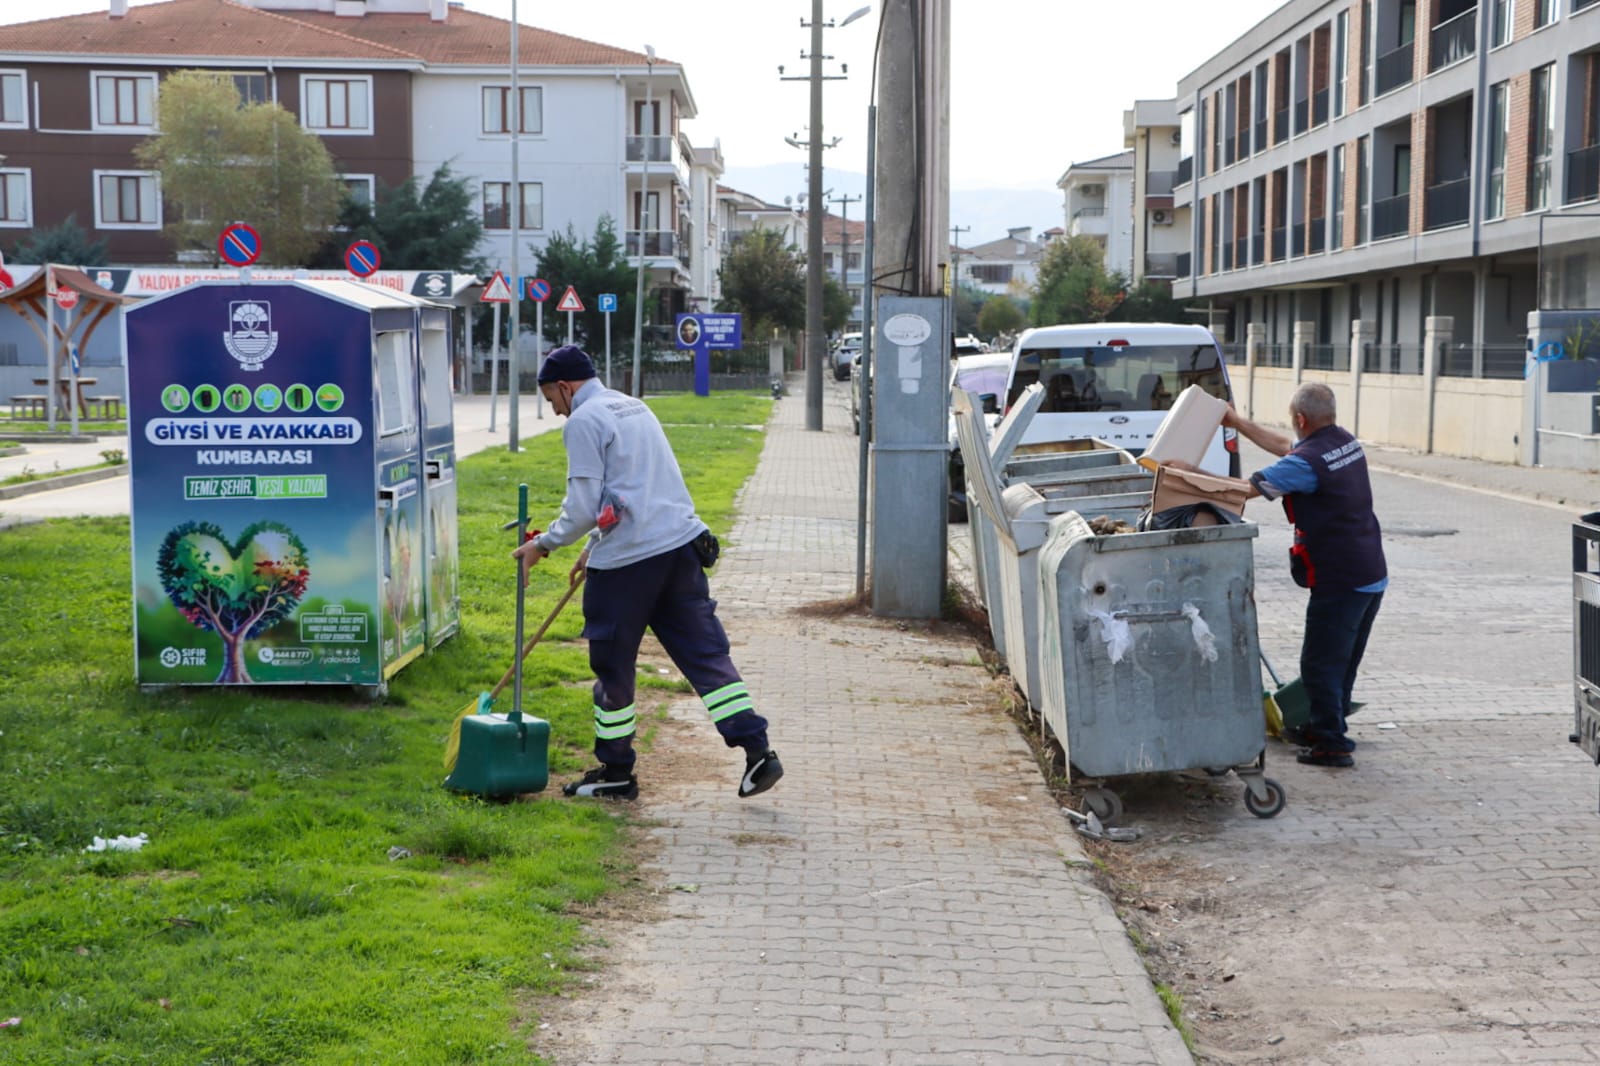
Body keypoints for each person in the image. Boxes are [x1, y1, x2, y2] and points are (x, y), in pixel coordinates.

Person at [512, 345, 782, 800]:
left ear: (565, 386)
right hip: (680, 550)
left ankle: (616, 771)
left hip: (629, 567)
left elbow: (582, 507)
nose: (556, 412)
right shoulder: (634, 406)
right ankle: (758, 751)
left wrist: (543, 545)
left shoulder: (584, 420)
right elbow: (633, 491)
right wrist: (594, 546)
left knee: (613, 665)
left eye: (551, 400)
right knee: (705, 655)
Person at [1204, 383, 1386, 769]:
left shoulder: (1307, 464)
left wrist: (1186, 476)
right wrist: (1236, 421)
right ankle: (1326, 727)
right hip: (1370, 572)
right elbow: (1289, 447)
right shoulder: (1343, 443)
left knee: (1319, 663)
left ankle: (1331, 745)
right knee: (1342, 661)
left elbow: (1244, 490)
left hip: (1340, 576)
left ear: (1301, 419)